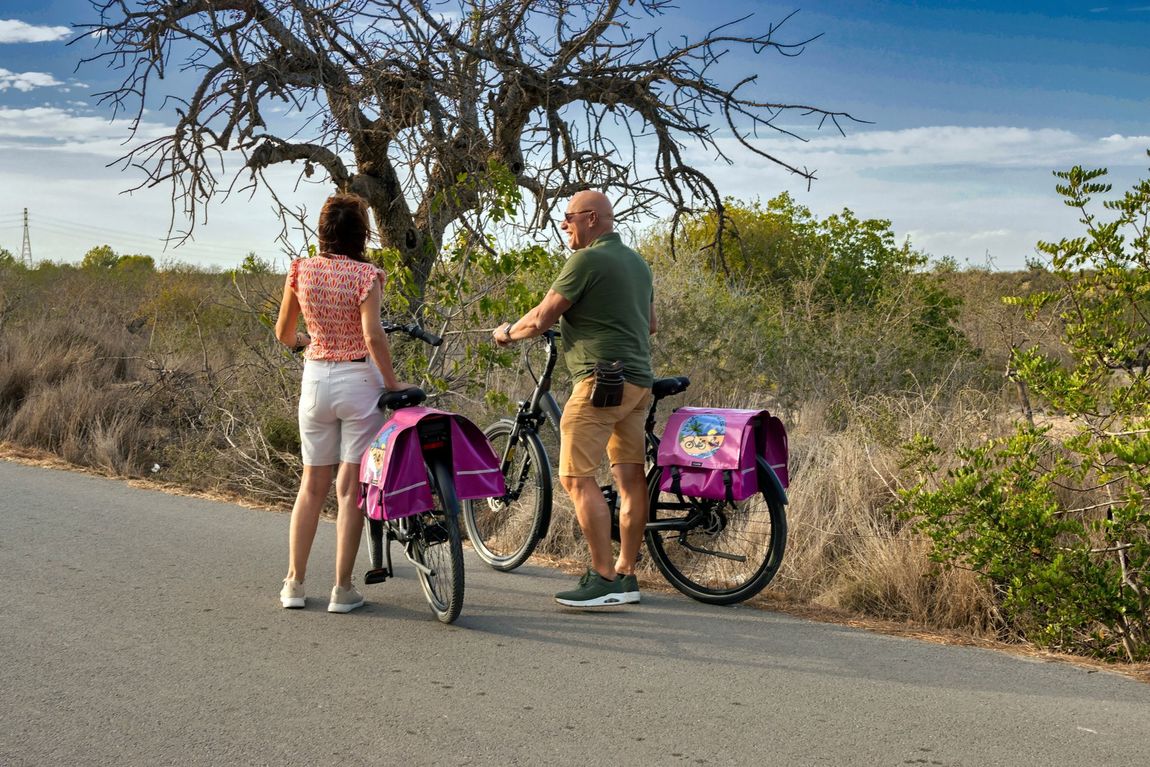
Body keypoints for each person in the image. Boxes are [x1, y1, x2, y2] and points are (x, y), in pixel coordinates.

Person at [493, 190, 656, 608]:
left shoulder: (586, 260)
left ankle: (601, 577)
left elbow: (544, 315)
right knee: (630, 478)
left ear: (591, 219)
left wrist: (508, 333)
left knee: (575, 478)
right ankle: (625, 573)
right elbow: (651, 325)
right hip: (638, 382)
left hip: (601, 382)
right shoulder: (637, 263)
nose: (563, 225)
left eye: (567, 217)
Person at [274, 193, 410, 613]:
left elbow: (284, 333)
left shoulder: (300, 271)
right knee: (349, 491)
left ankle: (294, 584)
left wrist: (308, 343)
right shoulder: (367, 276)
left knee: (310, 486)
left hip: (315, 380)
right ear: (361, 233)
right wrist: (393, 383)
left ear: (324, 231)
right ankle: (342, 589)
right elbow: (372, 335)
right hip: (359, 382)